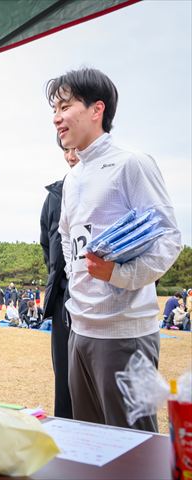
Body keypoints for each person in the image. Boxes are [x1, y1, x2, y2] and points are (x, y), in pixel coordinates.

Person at [47, 67, 182, 432]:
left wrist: (119, 274)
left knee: (133, 443)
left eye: (65, 106)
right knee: (89, 442)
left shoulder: (131, 163)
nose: (56, 118)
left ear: (97, 109)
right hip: (80, 329)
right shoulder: (73, 177)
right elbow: (66, 237)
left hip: (125, 334)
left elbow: (169, 237)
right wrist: (78, 286)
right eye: (54, 109)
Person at [39, 137, 79, 419]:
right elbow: (47, 243)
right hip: (63, 298)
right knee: (64, 380)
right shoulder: (55, 195)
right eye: (66, 150)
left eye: (76, 149)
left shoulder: (108, 185)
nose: (71, 156)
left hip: (99, 299)